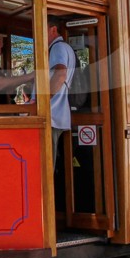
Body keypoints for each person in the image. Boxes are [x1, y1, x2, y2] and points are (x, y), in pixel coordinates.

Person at [47, 18, 76, 157]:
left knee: (46, 163)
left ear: (53, 30)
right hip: (55, 114)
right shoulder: (65, 47)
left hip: (50, 114)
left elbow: (60, 75)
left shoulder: (57, 47)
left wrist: (43, 100)